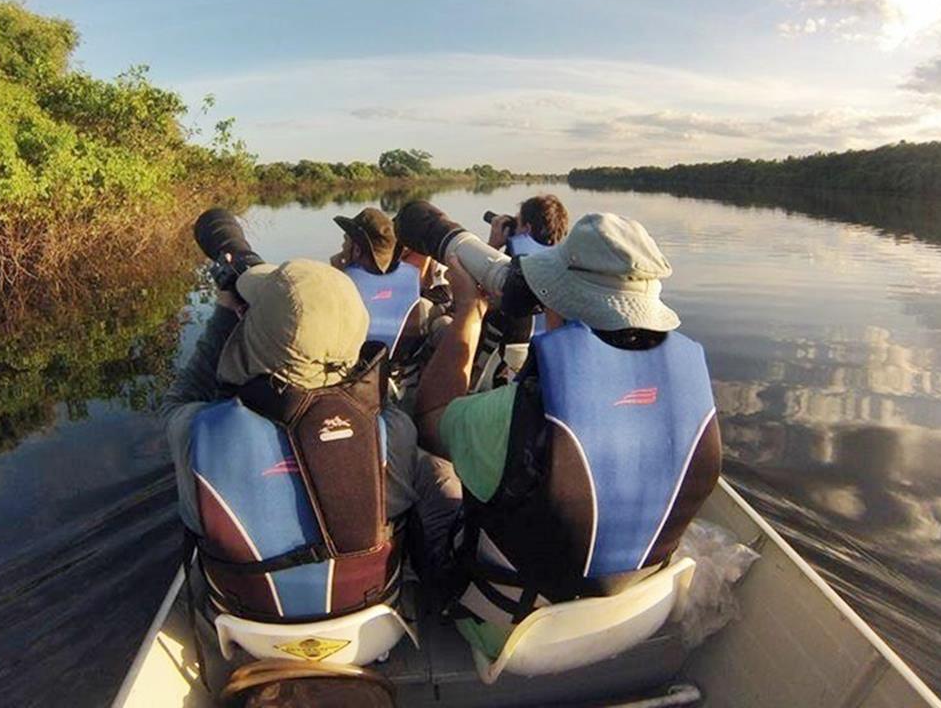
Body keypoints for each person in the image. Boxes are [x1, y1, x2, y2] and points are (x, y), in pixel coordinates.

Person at [414, 212, 722, 661]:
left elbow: (429, 418)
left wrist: (468, 313)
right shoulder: (693, 395)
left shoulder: (513, 415)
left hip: (519, 634)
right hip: (637, 616)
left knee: (431, 467)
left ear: (559, 301)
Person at [161, 255, 460, 688]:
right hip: (368, 633)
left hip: (250, 632)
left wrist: (226, 317)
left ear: (254, 335)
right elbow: (370, 409)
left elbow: (183, 395)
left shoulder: (193, 431)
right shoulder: (392, 430)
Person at [473, 194, 571, 387]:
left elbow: (472, 294)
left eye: (517, 223)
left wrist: (492, 245)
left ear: (526, 229)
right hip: (544, 367)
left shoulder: (513, 277)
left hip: (504, 366)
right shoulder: (564, 270)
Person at [329, 208, 423, 356]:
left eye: (346, 240)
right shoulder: (412, 273)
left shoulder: (344, 281)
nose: (342, 245)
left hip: (360, 365)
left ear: (358, 250)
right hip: (402, 361)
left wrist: (335, 272)